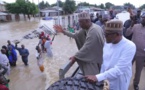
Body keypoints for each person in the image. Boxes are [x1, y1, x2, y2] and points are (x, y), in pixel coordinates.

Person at [85, 20, 136, 90]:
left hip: (119, 81)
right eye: (104, 33)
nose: (105, 36)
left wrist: (97, 77)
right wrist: (101, 78)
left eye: (107, 34)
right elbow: (104, 62)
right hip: (106, 79)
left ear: (117, 34)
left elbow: (119, 70)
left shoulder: (129, 46)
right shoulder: (107, 42)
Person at [125, 13, 145, 90]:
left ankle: (135, 83)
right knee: (127, 68)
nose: (144, 19)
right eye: (143, 17)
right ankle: (125, 81)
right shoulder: (136, 26)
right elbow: (127, 33)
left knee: (138, 71)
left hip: (142, 54)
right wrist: (131, 25)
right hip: (132, 52)